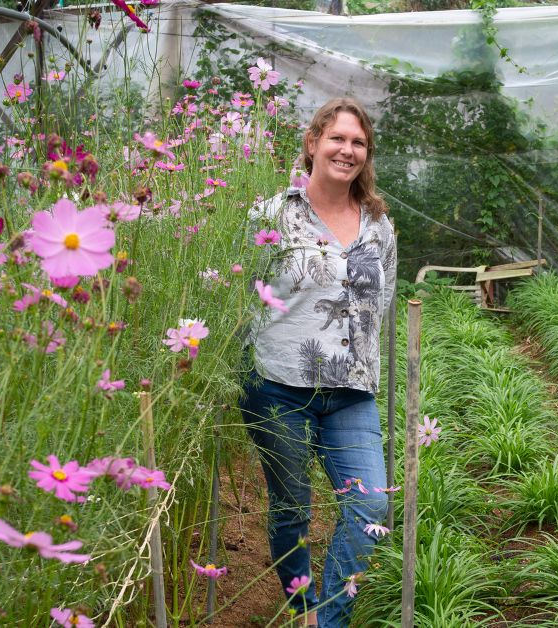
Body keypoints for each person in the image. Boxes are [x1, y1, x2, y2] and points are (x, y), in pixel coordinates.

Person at [240, 97, 396, 628]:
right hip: (277, 382)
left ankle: (328, 619)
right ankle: (302, 609)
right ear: (313, 143)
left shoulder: (379, 225)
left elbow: (383, 303)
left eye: (358, 142)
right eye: (337, 138)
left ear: (366, 154)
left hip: (350, 390)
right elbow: (242, 293)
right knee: (291, 509)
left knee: (371, 505)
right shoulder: (272, 214)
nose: (347, 150)